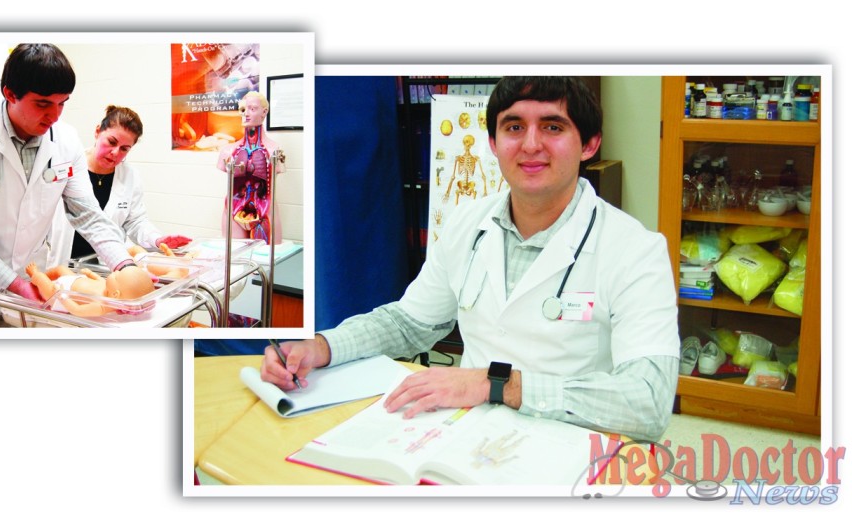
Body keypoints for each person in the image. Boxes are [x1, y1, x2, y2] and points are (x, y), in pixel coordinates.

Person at [261, 77, 680, 442]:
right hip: (464, 436)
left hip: (570, 444)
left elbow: (647, 401)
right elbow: (409, 323)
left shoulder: (635, 250)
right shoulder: (468, 222)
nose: (531, 144)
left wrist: (496, 385)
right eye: (514, 127)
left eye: (553, 126)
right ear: (494, 144)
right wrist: (321, 346)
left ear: (589, 144)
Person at [0, 44, 136, 327]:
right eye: (43, 104)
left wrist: (125, 267)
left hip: (30, 290)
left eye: (62, 103)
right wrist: (15, 283)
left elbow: (87, 215)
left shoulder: (66, 141)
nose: (55, 116)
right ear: (10, 94)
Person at [47, 105, 190, 269]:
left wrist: (157, 239)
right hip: (61, 261)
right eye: (111, 142)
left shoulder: (130, 176)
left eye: (124, 149)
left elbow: (135, 221)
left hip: (105, 267)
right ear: (98, 131)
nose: (115, 152)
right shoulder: (67, 168)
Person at [216, 91, 286, 244]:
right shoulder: (228, 151)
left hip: (265, 211)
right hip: (234, 211)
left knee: (266, 261)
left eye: (252, 109)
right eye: (243, 110)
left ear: (264, 112)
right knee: (235, 257)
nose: (246, 114)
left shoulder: (274, 151)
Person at [24, 262, 154, 317]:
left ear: (115, 294)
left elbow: (78, 310)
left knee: (43, 281)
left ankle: (35, 275)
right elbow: (98, 280)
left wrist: (61, 295)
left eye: (117, 275)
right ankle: (45, 277)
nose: (115, 272)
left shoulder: (102, 306)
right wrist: (91, 274)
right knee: (60, 269)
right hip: (74, 280)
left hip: (60, 296)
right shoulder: (109, 288)